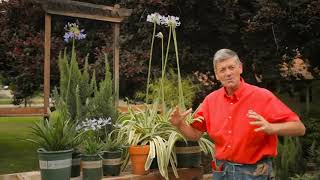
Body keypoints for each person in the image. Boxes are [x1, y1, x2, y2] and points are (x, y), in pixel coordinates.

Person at [170, 49, 305, 180]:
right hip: (222, 171)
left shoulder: (262, 96)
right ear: (217, 75)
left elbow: (299, 128)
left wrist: (271, 128)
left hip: (253, 173)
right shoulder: (210, 101)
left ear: (240, 68)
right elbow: (195, 134)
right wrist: (179, 124)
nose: (228, 73)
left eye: (231, 67)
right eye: (222, 70)